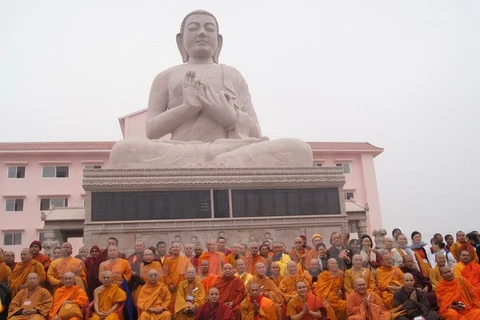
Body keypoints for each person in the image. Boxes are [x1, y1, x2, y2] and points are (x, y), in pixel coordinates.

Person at [109, 10, 313, 169]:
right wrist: (188, 108)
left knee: (300, 149)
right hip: (182, 150)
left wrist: (230, 118)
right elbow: (152, 131)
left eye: (209, 28)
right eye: (194, 28)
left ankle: (217, 162)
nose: (202, 33)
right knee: (123, 150)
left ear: (219, 40)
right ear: (180, 40)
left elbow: (256, 131)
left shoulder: (233, 74)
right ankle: (219, 163)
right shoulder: (166, 77)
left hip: (233, 148)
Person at [164, 242, 194, 309]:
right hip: (171, 287)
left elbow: (191, 271)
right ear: (171, 249)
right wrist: (169, 284)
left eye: (177, 247)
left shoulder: (184, 259)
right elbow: (165, 274)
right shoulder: (167, 260)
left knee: (183, 303)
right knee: (172, 305)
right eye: (173, 247)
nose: (175, 248)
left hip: (183, 286)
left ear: (180, 249)